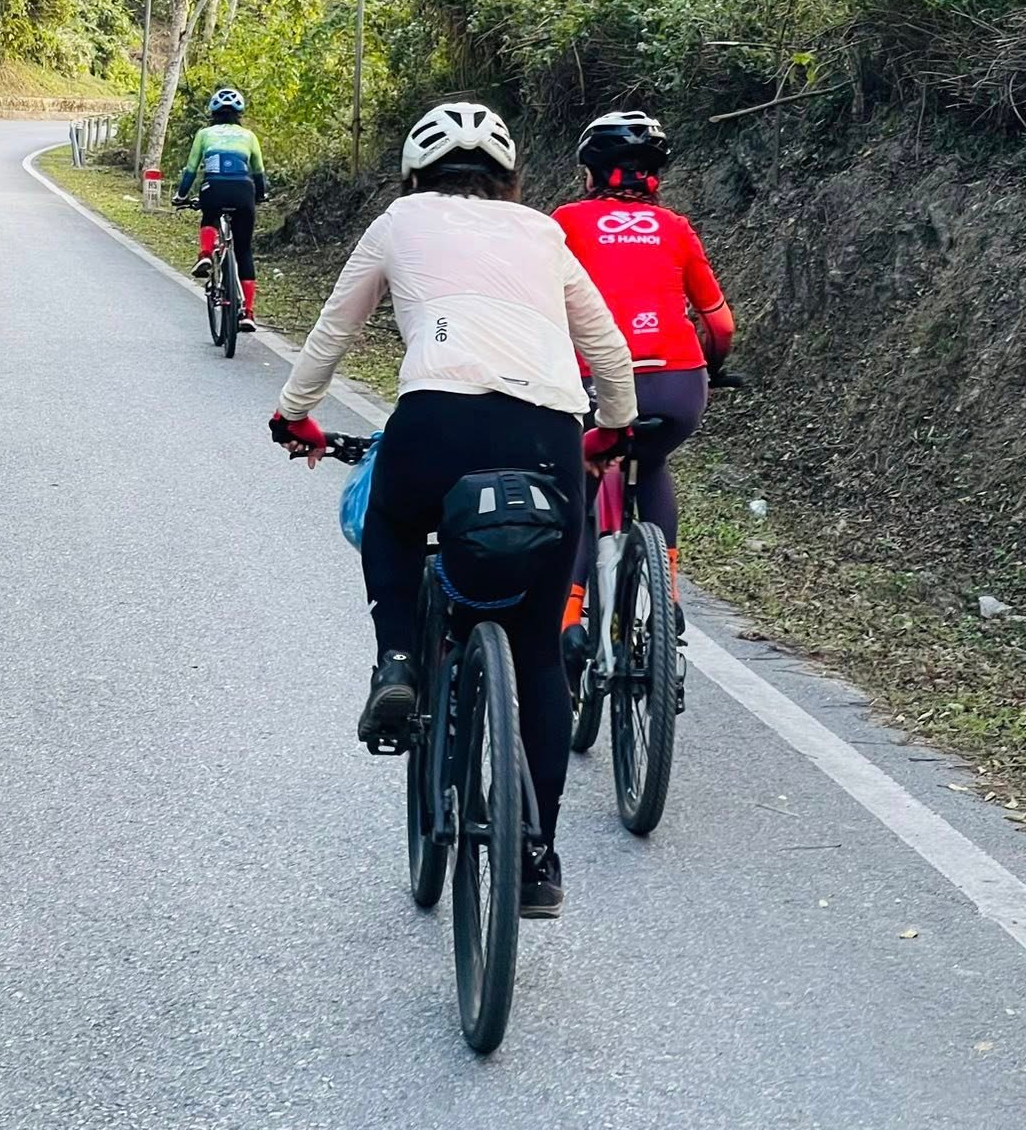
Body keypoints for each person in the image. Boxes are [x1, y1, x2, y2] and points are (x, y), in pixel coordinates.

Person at [269, 101, 636, 919]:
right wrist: (609, 429)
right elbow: (607, 345)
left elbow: (334, 327)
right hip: (547, 432)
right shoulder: (543, 233)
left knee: (395, 522)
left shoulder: (399, 220)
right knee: (539, 653)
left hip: (436, 422)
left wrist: (295, 410)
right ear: (509, 178)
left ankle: (399, 661)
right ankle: (536, 860)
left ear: (414, 173)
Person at [553, 110, 735, 658]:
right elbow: (720, 325)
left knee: (581, 483)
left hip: (591, 384)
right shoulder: (677, 228)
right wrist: (714, 366)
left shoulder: (565, 222)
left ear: (592, 173)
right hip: (677, 386)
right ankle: (668, 597)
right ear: (652, 177)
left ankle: (567, 619)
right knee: (650, 463)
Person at [175, 86, 266, 330]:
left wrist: (180, 195)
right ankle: (247, 312)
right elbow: (259, 173)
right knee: (244, 251)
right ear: (239, 113)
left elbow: (191, 170)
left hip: (213, 188)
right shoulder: (249, 136)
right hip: (244, 191)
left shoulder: (204, 134)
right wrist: (262, 195)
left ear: (213, 112)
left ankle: (205, 255)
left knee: (210, 215)